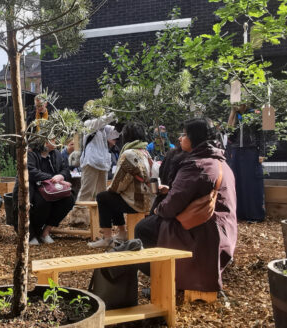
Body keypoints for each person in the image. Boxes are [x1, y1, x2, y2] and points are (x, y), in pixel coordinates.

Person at [135, 118, 238, 293]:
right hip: (221, 229)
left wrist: (158, 208)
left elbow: (170, 207)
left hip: (203, 232)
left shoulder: (196, 165)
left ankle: (166, 279)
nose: (180, 138)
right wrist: (172, 192)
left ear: (193, 138)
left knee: (143, 229)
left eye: (184, 134)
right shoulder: (219, 161)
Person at [89, 122, 158, 248]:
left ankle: (108, 238)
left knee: (104, 197)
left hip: (138, 201)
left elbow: (118, 184)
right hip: (150, 199)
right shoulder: (145, 152)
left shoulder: (129, 154)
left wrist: (112, 189)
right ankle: (121, 233)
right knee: (112, 197)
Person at [27, 134, 75, 245]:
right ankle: (32, 233)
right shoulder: (31, 154)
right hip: (35, 187)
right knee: (43, 202)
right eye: (52, 139)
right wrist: (51, 178)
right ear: (44, 141)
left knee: (69, 199)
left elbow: (65, 169)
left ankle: (46, 232)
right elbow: (31, 172)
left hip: (55, 188)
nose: (56, 141)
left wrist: (61, 176)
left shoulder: (57, 154)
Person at [78, 111, 117, 202]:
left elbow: (115, 133)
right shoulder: (88, 124)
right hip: (91, 162)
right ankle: (80, 214)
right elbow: (103, 120)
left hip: (103, 163)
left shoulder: (103, 127)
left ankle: (100, 215)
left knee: (102, 193)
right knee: (87, 192)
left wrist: (121, 121)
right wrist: (115, 112)